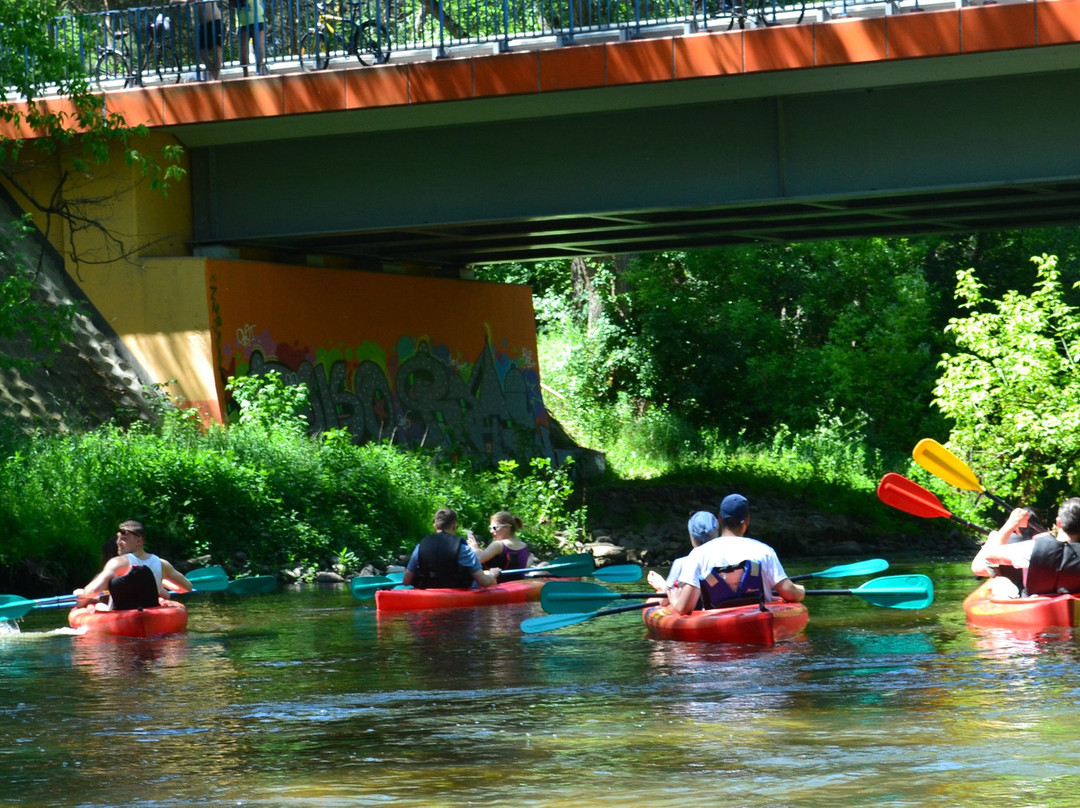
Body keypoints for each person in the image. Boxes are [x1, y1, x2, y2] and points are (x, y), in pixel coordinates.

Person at [664, 495, 805, 615]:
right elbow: (790, 594)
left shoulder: (699, 554)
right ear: (748, 520)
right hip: (757, 616)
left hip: (716, 622)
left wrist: (673, 597)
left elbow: (685, 607)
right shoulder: (764, 551)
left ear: (719, 519)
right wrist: (800, 590)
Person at [74, 520, 193, 611]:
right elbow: (186, 587)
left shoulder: (117, 562)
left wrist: (82, 592)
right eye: (118, 538)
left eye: (124, 539)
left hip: (124, 617)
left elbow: (93, 590)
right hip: (150, 615)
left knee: (98, 605)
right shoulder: (162, 564)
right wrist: (159, 581)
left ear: (139, 541)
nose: (118, 543)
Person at [971, 499, 1080, 597]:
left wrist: (1009, 525)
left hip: (1036, 606)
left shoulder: (1031, 548)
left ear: (1058, 523)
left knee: (1000, 581)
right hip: (1074, 602)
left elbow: (987, 558)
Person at [402, 508, 501, 589]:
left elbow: (406, 582)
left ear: (435, 526)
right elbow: (484, 582)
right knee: (486, 579)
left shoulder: (420, 547)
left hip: (427, 594)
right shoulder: (463, 549)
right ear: (454, 526)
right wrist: (492, 574)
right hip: (457, 597)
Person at [647, 510, 718, 597]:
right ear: (716, 533)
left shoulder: (681, 564)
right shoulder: (724, 559)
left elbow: (663, 601)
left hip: (693, 606)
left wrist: (662, 585)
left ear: (692, 536)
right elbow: (714, 584)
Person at [467, 511, 531, 582]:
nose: (491, 531)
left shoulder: (498, 545)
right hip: (518, 584)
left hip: (500, 586)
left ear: (507, 527)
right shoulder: (524, 545)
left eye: (494, 528)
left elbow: (477, 560)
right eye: (490, 528)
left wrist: (474, 547)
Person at [179, 0, 223, 80]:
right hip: (201, 25)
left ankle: (215, 79)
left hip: (214, 20)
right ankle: (214, 76)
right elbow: (172, 2)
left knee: (217, 50)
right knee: (201, 52)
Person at [232, 0, 268, 77]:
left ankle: (258, 71)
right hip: (242, 23)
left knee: (259, 47)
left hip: (258, 19)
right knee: (243, 51)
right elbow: (232, 3)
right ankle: (245, 74)